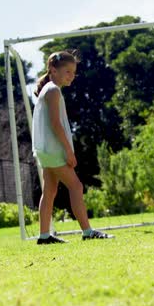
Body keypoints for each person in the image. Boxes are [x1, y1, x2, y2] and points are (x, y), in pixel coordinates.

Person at [32, 51, 114, 244]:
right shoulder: (52, 90)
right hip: (54, 151)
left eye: (73, 72)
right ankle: (87, 232)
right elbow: (55, 124)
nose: (71, 76)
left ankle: (44, 236)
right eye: (67, 71)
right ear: (53, 70)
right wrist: (69, 151)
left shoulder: (50, 90)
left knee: (50, 191)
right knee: (76, 186)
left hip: (45, 151)